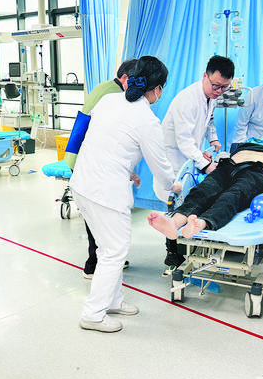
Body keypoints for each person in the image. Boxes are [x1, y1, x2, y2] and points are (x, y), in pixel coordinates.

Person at [69, 56, 181, 333]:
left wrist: (128, 170)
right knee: (115, 252)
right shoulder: (147, 120)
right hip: (105, 192)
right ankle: (93, 315)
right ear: (158, 89)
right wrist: (175, 185)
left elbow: (104, 141)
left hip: (83, 183)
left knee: (108, 249)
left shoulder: (108, 101)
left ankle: (113, 300)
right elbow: (161, 167)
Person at [161, 55, 235, 273]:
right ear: (205, 76)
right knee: (175, 203)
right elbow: (183, 141)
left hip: (188, 154)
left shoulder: (210, 96)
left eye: (224, 87)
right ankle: (172, 253)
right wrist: (206, 165)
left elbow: (209, 119)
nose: (219, 91)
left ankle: (189, 244)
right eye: (216, 85)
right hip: (174, 156)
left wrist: (213, 138)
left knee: (191, 199)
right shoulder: (187, 100)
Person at [148, 143, 263, 239]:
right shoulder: (246, 145)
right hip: (228, 166)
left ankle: (200, 223)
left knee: (232, 196)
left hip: (257, 172)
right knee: (202, 191)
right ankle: (174, 222)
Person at [79, 59, 138, 279]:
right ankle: (94, 263)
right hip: (91, 163)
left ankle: (105, 258)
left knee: (99, 218)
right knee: (101, 217)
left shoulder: (105, 87)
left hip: (86, 159)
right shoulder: (113, 96)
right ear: (125, 78)